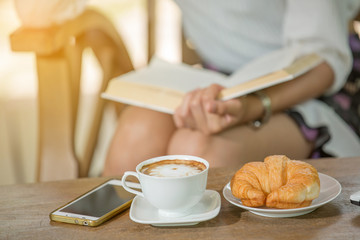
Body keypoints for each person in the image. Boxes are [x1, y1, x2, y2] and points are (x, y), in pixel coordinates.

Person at [102, 0, 360, 176]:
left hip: (312, 86)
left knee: (198, 152)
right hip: (220, 79)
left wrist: (254, 105)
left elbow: (325, 62)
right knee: (134, 136)